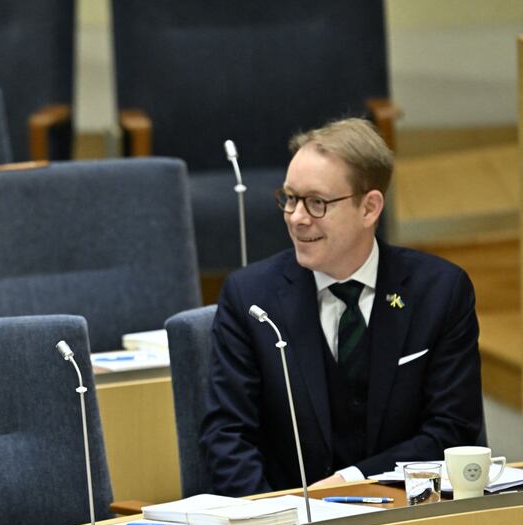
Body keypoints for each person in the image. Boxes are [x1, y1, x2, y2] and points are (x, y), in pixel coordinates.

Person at [201, 118, 483, 496]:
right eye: (289, 198)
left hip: (408, 519)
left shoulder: (441, 291)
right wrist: (278, 520)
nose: (297, 217)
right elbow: (227, 437)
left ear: (369, 208)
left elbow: (451, 429)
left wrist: (351, 482)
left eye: (316, 203)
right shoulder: (250, 298)